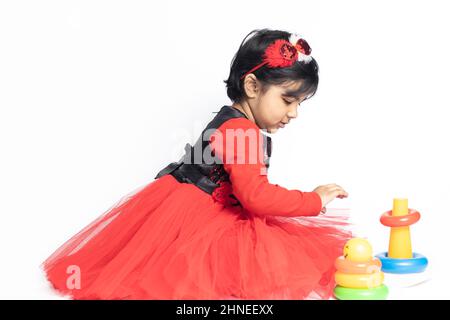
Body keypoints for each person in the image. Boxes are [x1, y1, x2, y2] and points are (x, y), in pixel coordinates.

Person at [41, 28, 352, 300]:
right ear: (253, 86)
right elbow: (256, 196)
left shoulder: (229, 121)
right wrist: (312, 199)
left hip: (181, 205)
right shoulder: (241, 131)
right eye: (288, 100)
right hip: (201, 217)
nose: (294, 113)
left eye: (300, 104)